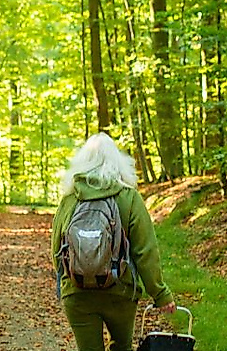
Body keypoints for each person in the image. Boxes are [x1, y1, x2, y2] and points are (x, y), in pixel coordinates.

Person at [51, 132, 176, 351]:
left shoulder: (70, 198)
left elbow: (56, 249)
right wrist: (160, 294)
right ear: (118, 161)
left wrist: (70, 280)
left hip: (78, 293)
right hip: (120, 292)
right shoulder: (129, 197)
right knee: (122, 347)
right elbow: (145, 251)